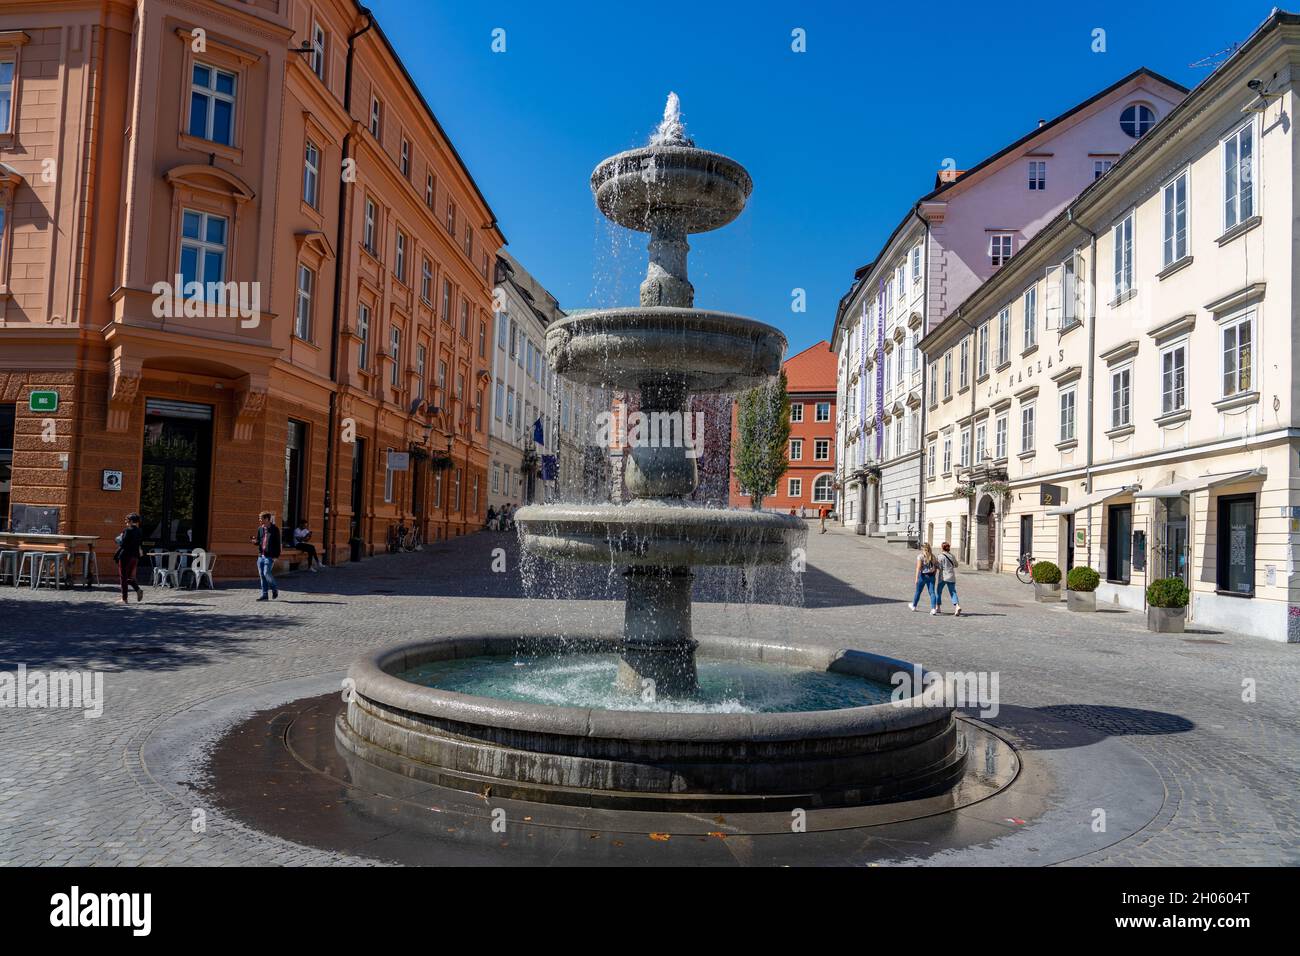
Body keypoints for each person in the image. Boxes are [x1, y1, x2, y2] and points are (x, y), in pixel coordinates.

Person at [113, 512, 144, 605]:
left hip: (125, 556)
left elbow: (123, 544)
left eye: (126, 520)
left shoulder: (128, 530)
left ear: (130, 521)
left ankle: (124, 599)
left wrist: (119, 538)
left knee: (123, 577)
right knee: (129, 577)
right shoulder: (139, 531)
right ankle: (137, 589)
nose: (125, 521)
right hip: (135, 556)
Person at [251, 511, 281, 601]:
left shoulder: (275, 529)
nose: (260, 520)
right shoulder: (260, 529)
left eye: (261, 518)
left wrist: (276, 556)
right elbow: (259, 541)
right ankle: (264, 595)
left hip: (270, 556)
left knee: (266, 573)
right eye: (259, 518)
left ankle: (274, 588)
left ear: (267, 519)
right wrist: (255, 542)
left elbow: (277, 543)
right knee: (262, 575)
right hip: (261, 556)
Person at [909, 542, 939, 614]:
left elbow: (918, 568)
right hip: (931, 576)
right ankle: (933, 609)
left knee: (918, 592)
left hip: (923, 576)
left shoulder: (920, 556)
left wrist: (916, 578)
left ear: (923, 549)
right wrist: (934, 575)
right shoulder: (933, 556)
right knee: (932, 593)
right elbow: (936, 567)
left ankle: (914, 606)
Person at [936, 541, 962, 616]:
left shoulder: (940, 556)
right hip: (951, 576)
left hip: (943, 577)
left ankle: (938, 607)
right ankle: (957, 606)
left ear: (942, 548)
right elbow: (956, 565)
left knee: (939, 591)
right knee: (953, 592)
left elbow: (939, 567)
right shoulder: (952, 556)